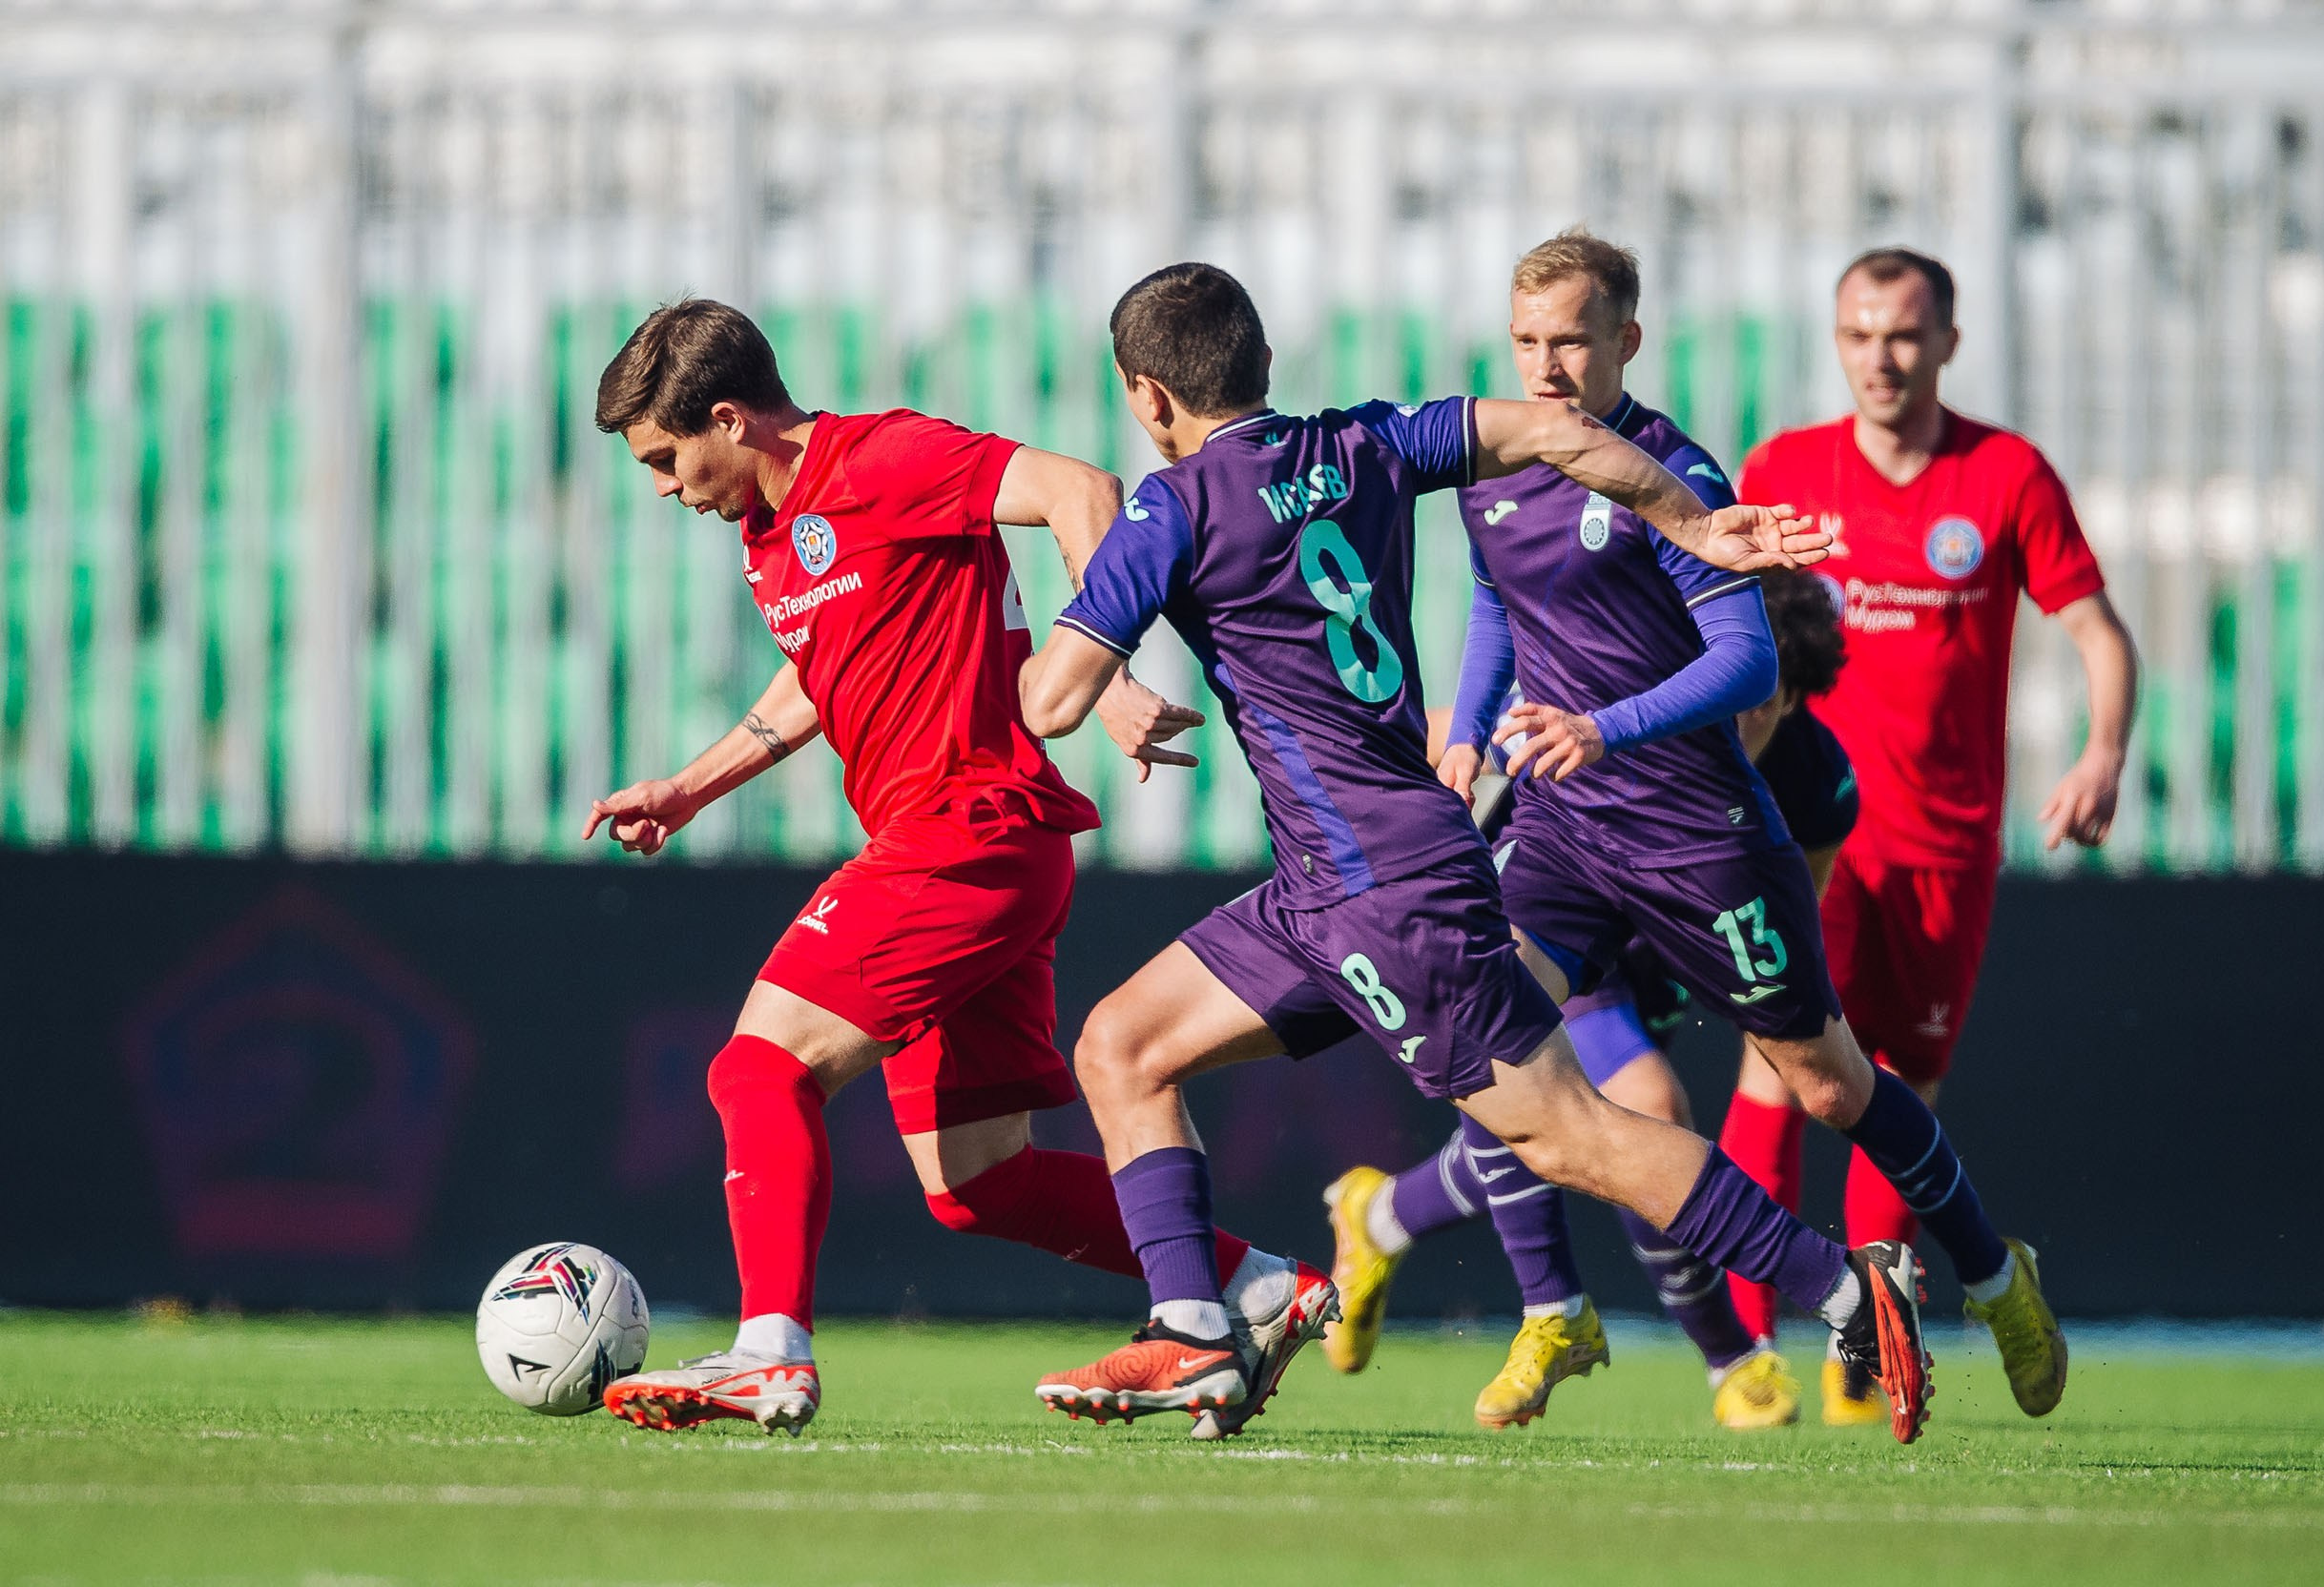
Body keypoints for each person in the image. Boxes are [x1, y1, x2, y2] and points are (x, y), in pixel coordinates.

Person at [1014, 261, 1937, 1444]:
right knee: (1122, 1046)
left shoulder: (1173, 507)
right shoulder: (1365, 441)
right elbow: (1558, 433)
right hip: (1329, 880)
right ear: (1259, 365)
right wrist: (1690, 522)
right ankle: (1201, 1330)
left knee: (1570, 1132)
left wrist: (1076, 641)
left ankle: (1849, 1290)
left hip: (1382, 887)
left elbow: (1049, 702)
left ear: (1147, 396)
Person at [574, 299, 1306, 1437]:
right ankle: (1259, 1285)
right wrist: (689, 786)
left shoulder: (885, 455)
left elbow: (1081, 493)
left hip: (964, 830)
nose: (665, 487)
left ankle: (770, 1350)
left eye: (668, 459)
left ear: (728, 416)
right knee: (980, 1183)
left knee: (755, 1071)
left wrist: (1100, 676)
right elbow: (824, 674)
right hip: (982, 852)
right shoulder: (771, 530)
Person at [1723, 247, 2139, 1425]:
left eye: (1901, 335)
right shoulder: (1787, 470)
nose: (1879, 358)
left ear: (1946, 342)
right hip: (1813, 831)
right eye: (1857, 334)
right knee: (1783, 1061)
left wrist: (2103, 746)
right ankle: (1746, 1350)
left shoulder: (2002, 475)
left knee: (1897, 1082)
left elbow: (2098, 632)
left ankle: (1866, 1345)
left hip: (1945, 846)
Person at [1330, 567, 1856, 1432]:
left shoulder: (1818, 783)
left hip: (1665, 963)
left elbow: (1793, 935)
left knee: (1564, 1136)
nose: (1742, 715)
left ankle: (1380, 1216)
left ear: (1793, 699)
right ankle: (1734, 1363)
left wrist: (1785, 1036)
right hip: (1568, 926)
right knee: (1644, 1108)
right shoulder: (1635, 718)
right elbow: (1462, 739)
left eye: (1764, 701)